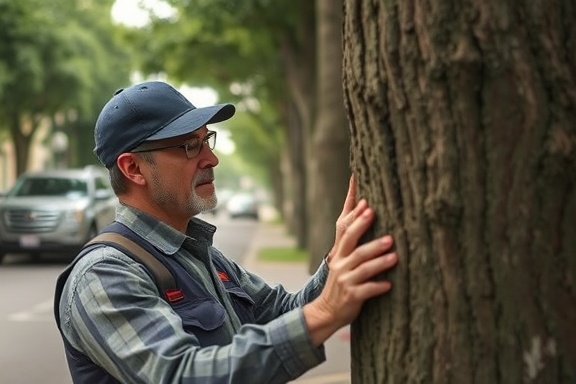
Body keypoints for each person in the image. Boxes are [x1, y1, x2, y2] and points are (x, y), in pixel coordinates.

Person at [54, 80, 398, 384]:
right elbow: (181, 375)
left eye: (207, 141)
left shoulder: (199, 254)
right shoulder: (103, 274)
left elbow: (283, 311)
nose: (211, 159)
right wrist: (324, 313)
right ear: (133, 168)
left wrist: (337, 259)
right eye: (190, 146)